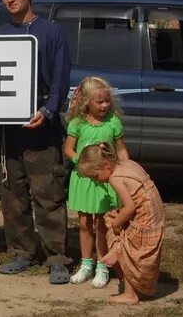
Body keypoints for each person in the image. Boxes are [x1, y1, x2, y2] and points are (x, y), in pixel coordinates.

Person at [0, 0, 72, 284]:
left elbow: (60, 78)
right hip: (8, 126)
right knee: (12, 193)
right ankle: (22, 252)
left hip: (42, 123)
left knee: (48, 192)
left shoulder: (51, 32)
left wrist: (48, 110)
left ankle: (57, 257)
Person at [77, 143, 164, 305]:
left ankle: (130, 293)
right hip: (155, 213)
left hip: (144, 217)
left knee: (122, 238)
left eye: (95, 177)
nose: (97, 182)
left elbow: (130, 207)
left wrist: (116, 224)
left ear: (105, 165)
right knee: (112, 218)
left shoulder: (115, 178)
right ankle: (124, 266)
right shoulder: (127, 163)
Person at [64, 76, 130, 289]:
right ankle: (86, 264)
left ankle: (103, 266)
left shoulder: (113, 122)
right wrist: (81, 162)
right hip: (84, 179)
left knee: (102, 224)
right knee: (84, 223)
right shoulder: (77, 123)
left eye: (107, 101)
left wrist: (126, 171)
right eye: (99, 102)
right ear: (87, 102)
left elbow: (121, 150)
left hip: (106, 182)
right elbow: (68, 149)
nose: (104, 105)